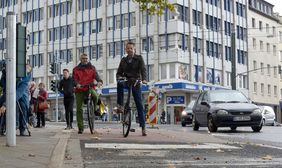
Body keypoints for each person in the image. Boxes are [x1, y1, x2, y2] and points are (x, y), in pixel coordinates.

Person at [116, 41, 148, 136]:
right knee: (119, 84)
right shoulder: (123, 60)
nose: (129, 50)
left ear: (134, 49)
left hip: (136, 82)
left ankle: (143, 127)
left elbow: (143, 69)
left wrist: (144, 79)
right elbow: (119, 72)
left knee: (139, 104)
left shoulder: (139, 58)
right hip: (126, 80)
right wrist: (119, 77)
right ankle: (120, 106)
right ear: (126, 49)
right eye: (128, 48)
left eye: (131, 48)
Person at [73, 53, 103, 134]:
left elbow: (97, 76)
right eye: (83, 58)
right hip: (80, 89)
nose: (85, 60)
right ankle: (81, 127)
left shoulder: (92, 68)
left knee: (96, 96)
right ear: (80, 59)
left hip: (90, 88)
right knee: (79, 109)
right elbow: (74, 79)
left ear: (88, 59)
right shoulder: (76, 69)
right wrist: (77, 84)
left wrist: (99, 81)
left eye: (86, 58)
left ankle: (94, 109)